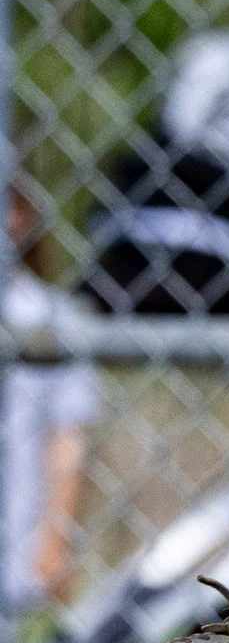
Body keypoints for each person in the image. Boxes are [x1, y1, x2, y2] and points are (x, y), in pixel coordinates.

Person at [1, 193, 98, 618]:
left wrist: (56, 540)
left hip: (16, 536)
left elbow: (68, 438)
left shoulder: (49, 314)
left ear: (20, 216)